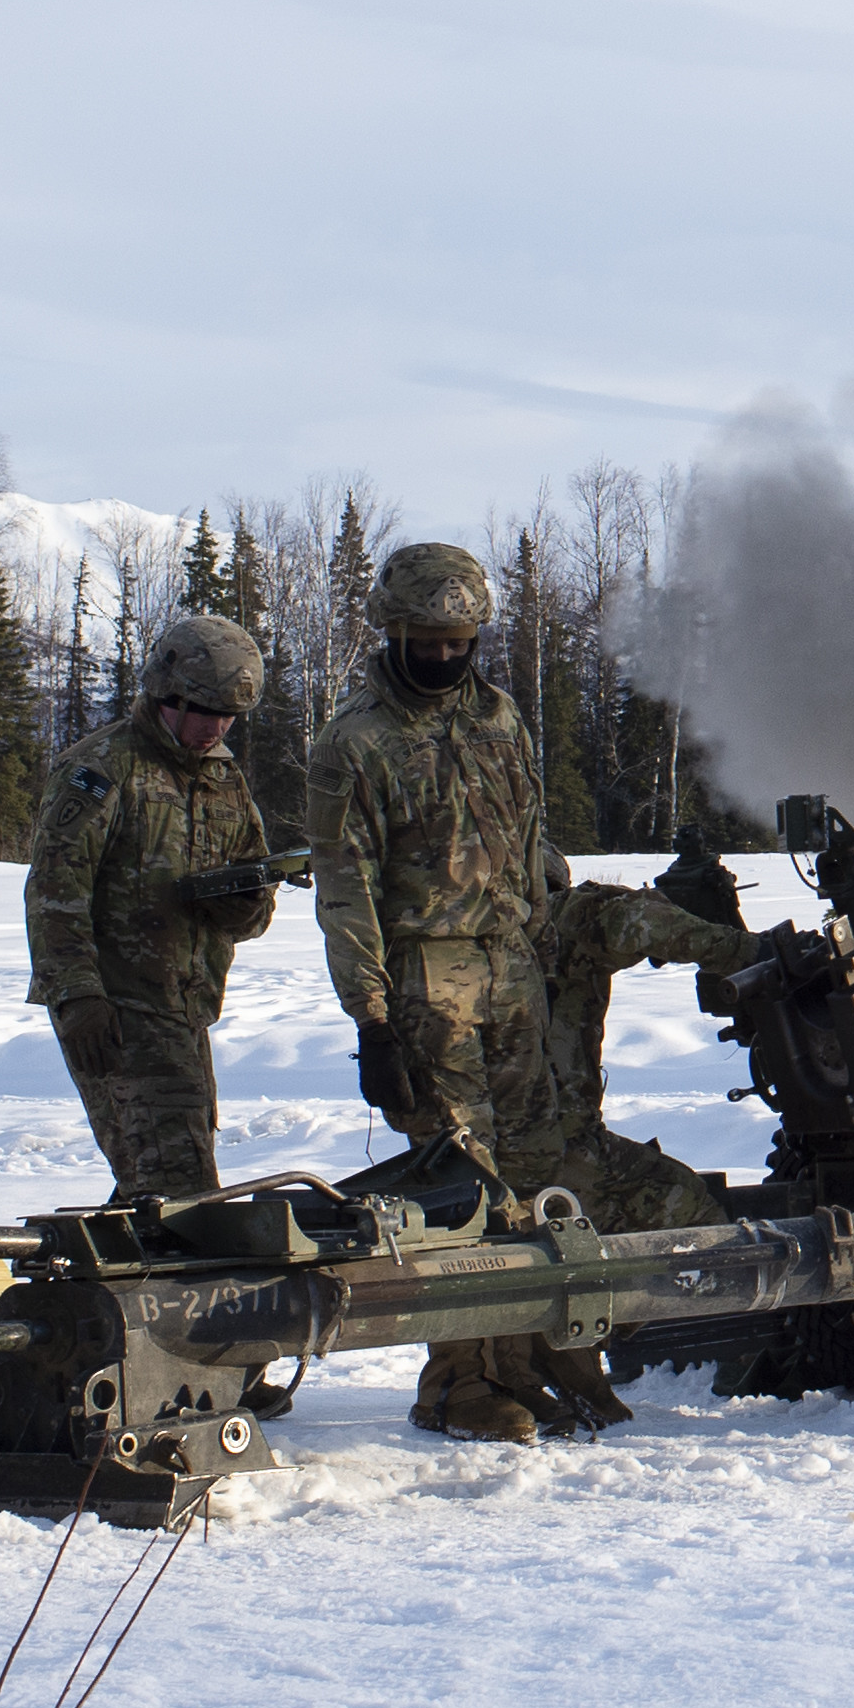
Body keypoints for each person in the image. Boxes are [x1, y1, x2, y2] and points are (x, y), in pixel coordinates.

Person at [307, 540, 562, 1442]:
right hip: (426, 983)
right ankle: (460, 1385)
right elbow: (345, 890)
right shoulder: (355, 742)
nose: (448, 655)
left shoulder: (499, 718)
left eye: (462, 639)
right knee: (467, 1191)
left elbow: (528, 837)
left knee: (534, 1176)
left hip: (512, 975)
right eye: (431, 638)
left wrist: (549, 917)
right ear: (395, 629)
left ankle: (533, 1365)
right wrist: (374, 1023)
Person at [457, 838, 770, 1436]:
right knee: (685, 1214)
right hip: (560, 1150)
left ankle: (564, 1358)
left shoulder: (468, 938)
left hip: (491, 1148)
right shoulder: (567, 918)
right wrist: (747, 949)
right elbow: (637, 921)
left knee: (548, 1242)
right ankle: (574, 1355)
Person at [23, 613, 276, 1207]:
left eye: (229, 716)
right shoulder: (101, 770)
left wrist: (242, 904)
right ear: (166, 694)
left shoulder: (224, 780)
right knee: (177, 1187)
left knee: (165, 1185)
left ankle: (103, 1284)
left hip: (186, 1011)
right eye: (205, 710)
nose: (217, 727)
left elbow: (255, 905)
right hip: (117, 1012)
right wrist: (78, 995)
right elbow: (55, 891)